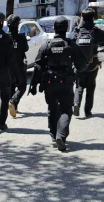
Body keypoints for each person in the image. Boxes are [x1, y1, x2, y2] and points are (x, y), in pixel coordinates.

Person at [29, 16, 87, 152]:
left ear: (54, 28)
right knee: (66, 109)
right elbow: (82, 64)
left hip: (49, 82)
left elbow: (38, 66)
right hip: (66, 82)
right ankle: (61, 135)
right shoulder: (71, 44)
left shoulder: (47, 45)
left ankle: (54, 134)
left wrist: (34, 84)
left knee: (52, 107)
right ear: (67, 28)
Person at [72, 8, 104, 118]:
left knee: (79, 85)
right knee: (91, 86)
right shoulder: (95, 30)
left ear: (82, 18)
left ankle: (76, 103)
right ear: (93, 18)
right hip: (92, 63)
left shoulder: (77, 30)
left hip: (79, 64)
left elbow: (71, 44)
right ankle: (87, 111)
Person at [6, 14, 29, 118]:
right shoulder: (21, 37)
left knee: (11, 86)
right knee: (22, 86)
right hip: (19, 65)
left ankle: (13, 106)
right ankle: (13, 102)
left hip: (8, 67)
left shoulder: (5, 37)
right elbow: (26, 48)